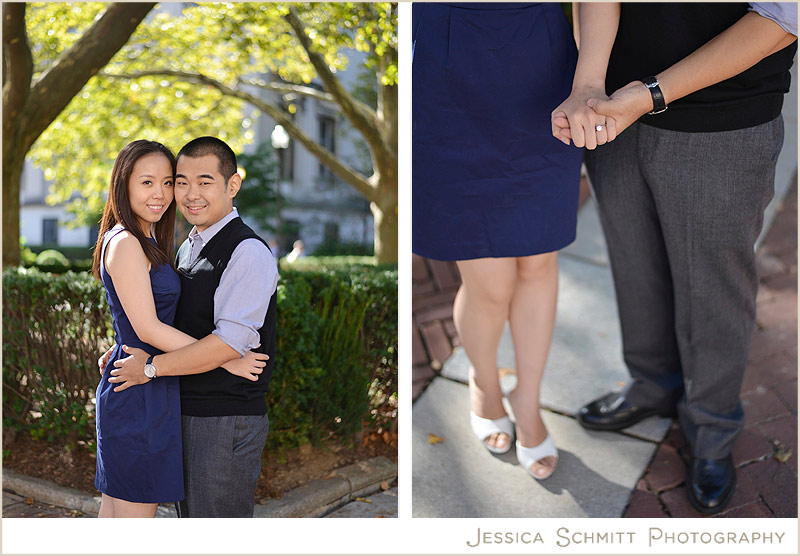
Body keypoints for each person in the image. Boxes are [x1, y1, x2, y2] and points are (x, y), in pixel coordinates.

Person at [552, 3, 797, 513]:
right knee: (633, 263)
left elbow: (781, 17)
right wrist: (588, 84)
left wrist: (650, 95)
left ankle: (712, 426)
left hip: (723, 122)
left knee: (713, 288)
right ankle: (652, 385)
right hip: (612, 108)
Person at [412, 3, 584, 479]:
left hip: (543, 62)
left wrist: (588, 81)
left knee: (537, 262)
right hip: (448, 66)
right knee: (489, 283)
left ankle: (527, 402)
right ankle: (484, 383)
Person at [92, 140, 267, 518]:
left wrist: (127, 343)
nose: (164, 194)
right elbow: (149, 326)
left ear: (231, 185)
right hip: (141, 390)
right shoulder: (130, 242)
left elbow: (149, 317)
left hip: (157, 388)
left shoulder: (161, 241)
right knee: (131, 516)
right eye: (147, 183)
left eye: (167, 182)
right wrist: (227, 360)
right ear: (123, 185)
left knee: (119, 512)